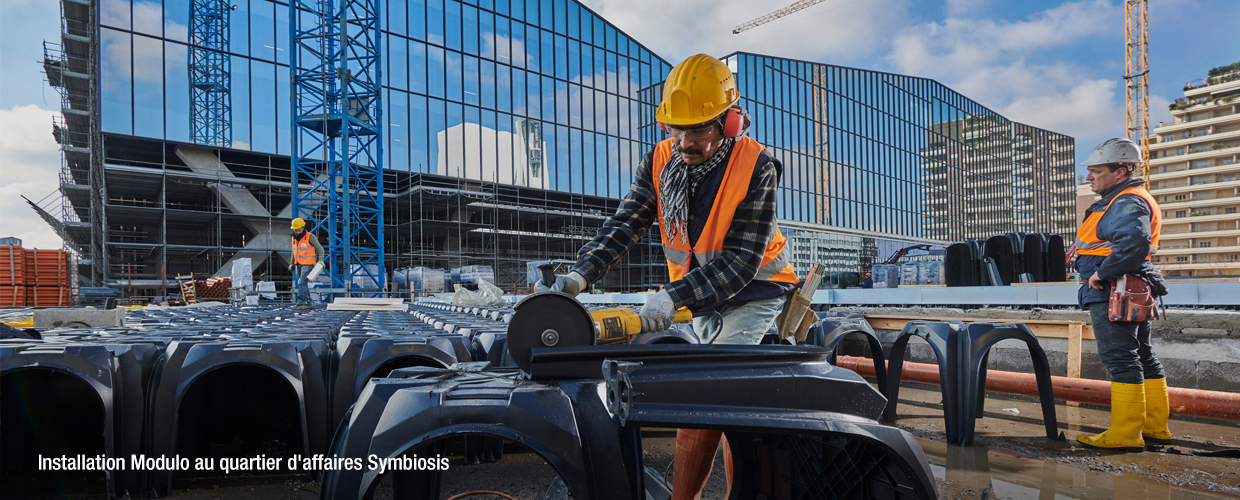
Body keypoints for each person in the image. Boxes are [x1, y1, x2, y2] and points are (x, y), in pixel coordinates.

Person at [536, 53, 799, 499]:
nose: (684, 141)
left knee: (724, 396)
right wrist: (579, 276)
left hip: (754, 292)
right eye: (675, 128)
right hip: (699, 297)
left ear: (730, 122)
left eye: (697, 129)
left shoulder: (758, 166)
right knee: (703, 398)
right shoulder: (659, 160)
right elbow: (626, 223)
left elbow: (739, 262)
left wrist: (671, 297)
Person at [1073, 138, 1169, 452]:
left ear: (1121, 171)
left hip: (1114, 289)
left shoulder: (1126, 200)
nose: (1089, 177)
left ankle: (1126, 433)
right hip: (1131, 286)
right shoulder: (1124, 198)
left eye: (1096, 171)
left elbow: (1134, 242)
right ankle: (1154, 427)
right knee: (1142, 355)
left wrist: (1102, 272)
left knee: (1120, 358)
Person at [289, 218, 324, 309]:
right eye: (296, 230)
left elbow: (320, 249)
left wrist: (320, 261)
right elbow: (294, 252)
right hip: (298, 263)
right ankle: (308, 302)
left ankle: (302, 302)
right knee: (302, 283)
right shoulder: (293, 238)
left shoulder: (310, 237)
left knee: (302, 281)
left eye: (299, 230)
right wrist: (291, 263)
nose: (297, 232)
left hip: (308, 263)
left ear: (303, 228)